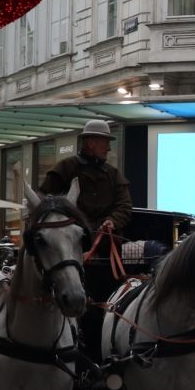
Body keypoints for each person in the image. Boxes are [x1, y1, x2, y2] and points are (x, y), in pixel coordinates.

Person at [42, 119, 133, 368]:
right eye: (105, 143)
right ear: (91, 143)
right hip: (70, 248)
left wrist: (112, 221)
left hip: (104, 253)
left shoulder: (113, 175)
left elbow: (125, 206)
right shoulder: (65, 169)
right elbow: (47, 203)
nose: (108, 149)